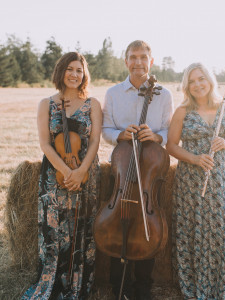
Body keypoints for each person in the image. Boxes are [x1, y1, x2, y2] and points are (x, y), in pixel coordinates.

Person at [22, 52, 102, 299]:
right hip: (54, 174)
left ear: (84, 74)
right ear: (61, 71)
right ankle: (52, 284)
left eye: (79, 70)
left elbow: (95, 142)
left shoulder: (93, 104)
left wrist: (80, 172)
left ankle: (77, 285)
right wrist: (66, 171)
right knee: (54, 230)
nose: (74, 74)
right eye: (70, 69)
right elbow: (45, 144)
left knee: (82, 227)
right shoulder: (46, 104)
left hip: (86, 173)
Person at [102, 40, 174, 300]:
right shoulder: (112, 93)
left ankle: (143, 287)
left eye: (143, 57)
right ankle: (118, 285)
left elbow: (169, 130)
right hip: (123, 169)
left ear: (151, 61)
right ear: (126, 61)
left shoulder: (164, 94)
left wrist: (156, 137)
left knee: (147, 227)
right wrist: (120, 134)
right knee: (117, 223)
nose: (138, 62)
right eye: (133, 57)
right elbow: (105, 129)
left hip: (148, 173)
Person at [166, 62, 225, 300]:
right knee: (190, 231)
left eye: (201, 78)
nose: (197, 84)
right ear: (186, 86)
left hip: (219, 181)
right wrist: (195, 159)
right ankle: (192, 289)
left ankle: (215, 290)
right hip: (190, 181)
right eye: (192, 81)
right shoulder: (182, 111)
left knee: (218, 232)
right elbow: (170, 146)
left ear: (210, 80)